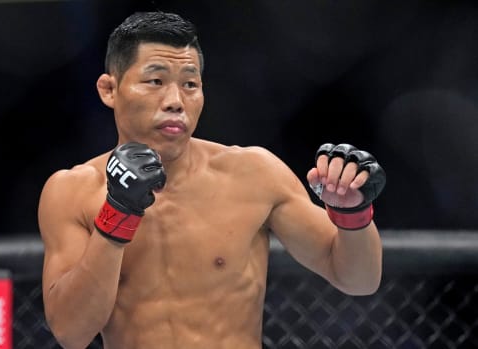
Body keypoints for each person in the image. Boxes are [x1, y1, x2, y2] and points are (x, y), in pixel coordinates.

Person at [38, 11, 386, 349]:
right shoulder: (72, 190)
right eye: (155, 81)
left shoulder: (254, 174)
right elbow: (71, 333)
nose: (175, 101)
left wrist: (351, 214)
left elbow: (359, 280)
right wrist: (118, 212)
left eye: (190, 84)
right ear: (109, 90)